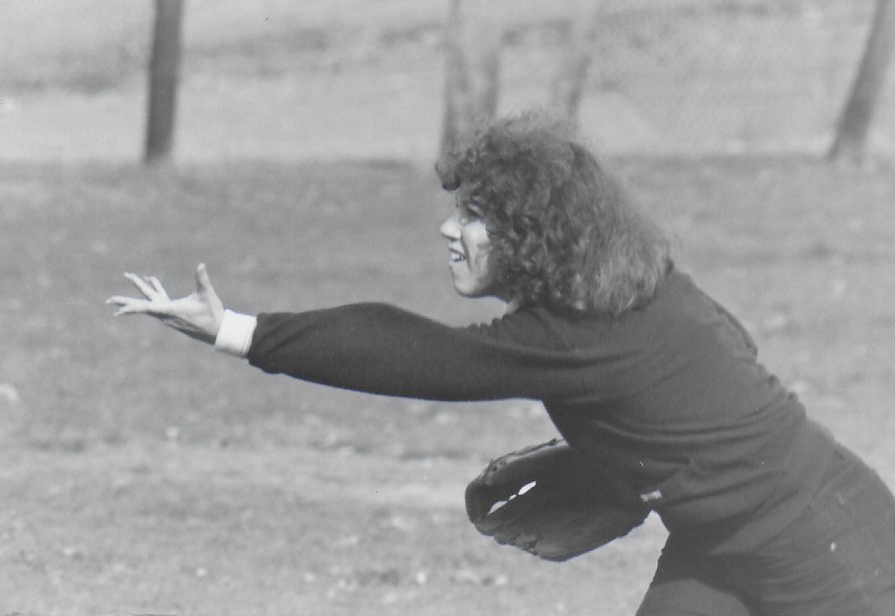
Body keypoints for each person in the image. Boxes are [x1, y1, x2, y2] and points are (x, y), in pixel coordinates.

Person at [108, 112, 895, 616]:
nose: (450, 230)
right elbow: (730, 362)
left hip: (828, 548)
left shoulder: (573, 338)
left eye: (476, 217)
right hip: (719, 542)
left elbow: (417, 355)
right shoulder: (641, 291)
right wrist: (636, 466)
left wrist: (239, 330)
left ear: (532, 235)